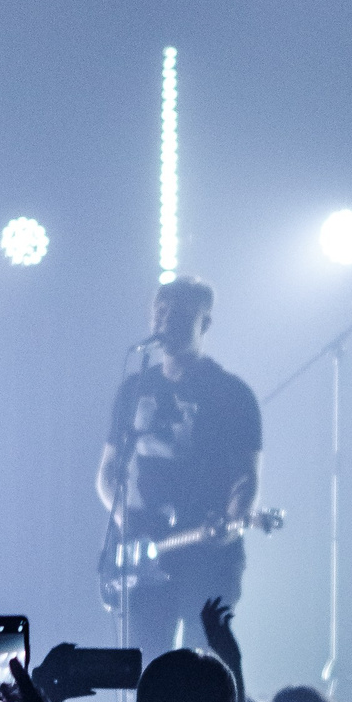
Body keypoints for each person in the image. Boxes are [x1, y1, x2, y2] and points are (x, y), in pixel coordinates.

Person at [98, 279, 266, 656]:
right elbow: (108, 472)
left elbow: (247, 475)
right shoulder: (133, 388)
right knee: (144, 662)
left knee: (203, 665)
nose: (165, 321)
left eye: (179, 314)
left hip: (207, 555)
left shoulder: (232, 393)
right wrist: (128, 523)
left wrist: (232, 521)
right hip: (145, 550)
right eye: (160, 311)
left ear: (204, 323)